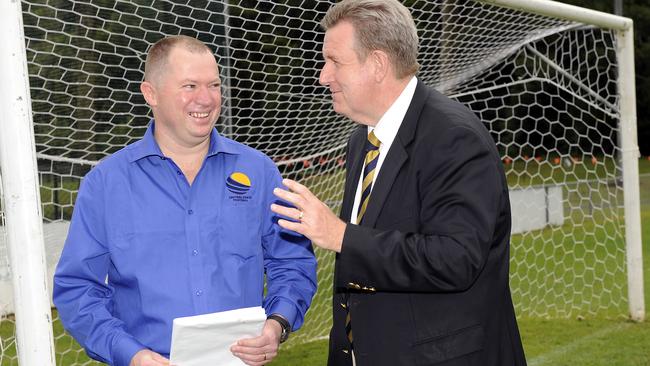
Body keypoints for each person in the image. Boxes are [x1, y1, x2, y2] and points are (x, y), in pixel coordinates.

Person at [270, 1, 527, 365]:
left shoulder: (454, 137)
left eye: (334, 61)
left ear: (377, 64)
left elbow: (456, 259)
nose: (323, 76)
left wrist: (341, 235)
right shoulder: (362, 139)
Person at [53, 35, 317, 366]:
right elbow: (77, 288)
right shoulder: (107, 184)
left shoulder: (259, 172)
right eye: (190, 86)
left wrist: (277, 323)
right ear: (151, 94)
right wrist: (130, 353)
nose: (206, 99)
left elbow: (291, 262)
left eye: (214, 85)